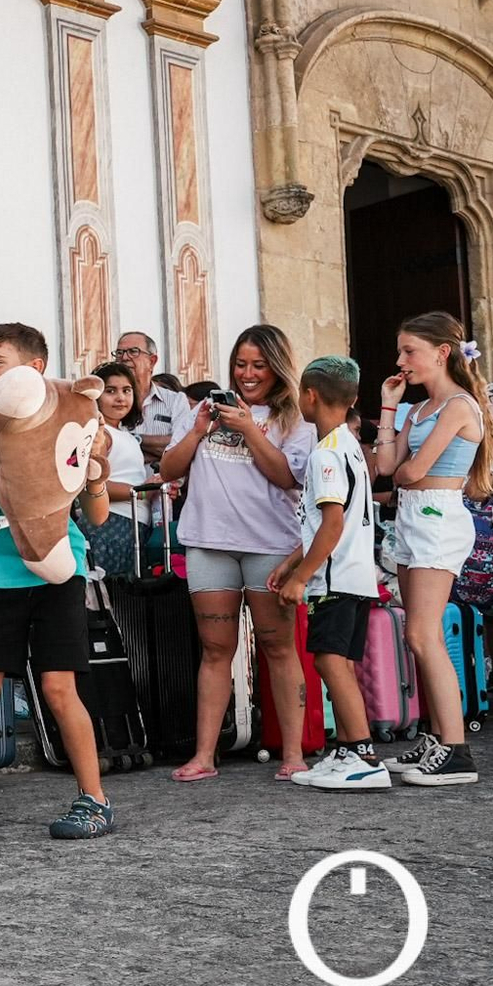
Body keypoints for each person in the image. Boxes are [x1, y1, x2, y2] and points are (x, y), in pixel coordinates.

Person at [0, 323, 117, 843]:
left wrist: (96, 471)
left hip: (60, 567)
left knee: (59, 686)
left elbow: (95, 515)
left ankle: (94, 799)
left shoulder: (70, 417)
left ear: (33, 370)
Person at [160, 325, 315, 782]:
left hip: (270, 545)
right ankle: (205, 755)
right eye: (240, 364)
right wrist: (199, 429)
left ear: (277, 368)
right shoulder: (204, 411)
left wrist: (249, 428)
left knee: (278, 647)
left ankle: (293, 754)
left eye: (258, 365)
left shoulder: (294, 421)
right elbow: (168, 469)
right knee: (214, 649)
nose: (247, 374)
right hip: (208, 541)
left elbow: (287, 477)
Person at [372, 312, 488, 786]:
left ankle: (456, 751)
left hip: (438, 515)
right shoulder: (417, 410)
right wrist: (387, 406)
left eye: (409, 351)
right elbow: (387, 465)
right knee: (417, 635)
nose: (401, 361)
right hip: (412, 517)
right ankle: (439, 737)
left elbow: (410, 472)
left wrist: (402, 472)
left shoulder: (459, 406)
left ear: (442, 353)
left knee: (423, 634)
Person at [271, 357, 389, 791]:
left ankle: (361, 753)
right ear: (354, 399)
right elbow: (330, 522)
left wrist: (301, 576)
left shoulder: (323, 453)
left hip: (334, 579)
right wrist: (290, 561)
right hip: (356, 575)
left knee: (328, 661)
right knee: (338, 662)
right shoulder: (350, 446)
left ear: (310, 396)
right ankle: (349, 748)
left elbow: (332, 523)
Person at [76, 362, 147, 578]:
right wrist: (144, 491)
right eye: (110, 391)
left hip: (130, 525)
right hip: (108, 525)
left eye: (127, 390)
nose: (120, 398)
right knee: (107, 595)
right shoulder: (102, 434)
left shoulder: (124, 434)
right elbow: (94, 483)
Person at [116, 331, 196, 464]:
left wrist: (133, 439)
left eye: (133, 351)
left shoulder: (175, 401)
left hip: (162, 483)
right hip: (120, 484)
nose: (124, 358)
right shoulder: (109, 401)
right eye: (119, 353)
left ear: (152, 361)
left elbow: (183, 447)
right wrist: (162, 451)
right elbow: (111, 452)